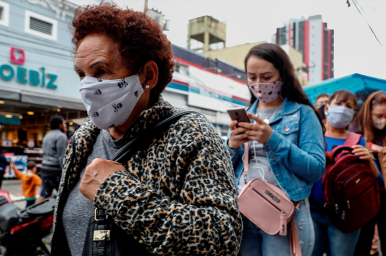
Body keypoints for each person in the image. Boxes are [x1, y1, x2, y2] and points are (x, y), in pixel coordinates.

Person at [50, 3, 242, 256]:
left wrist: (117, 192)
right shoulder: (84, 137)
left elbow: (223, 237)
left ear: (148, 75)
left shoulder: (191, 134)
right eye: (81, 74)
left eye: (101, 71)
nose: (86, 86)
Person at [226, 43, 325, 256]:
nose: (259, 83)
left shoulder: (303, 114)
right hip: (242, 214)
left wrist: (273, 140)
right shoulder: (244, 115)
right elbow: (221, 169)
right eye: (252, 77)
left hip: (284, 215)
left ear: (283, 75)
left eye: (267, 76)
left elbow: (316, 168)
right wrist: (231, 146)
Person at [310, 90, 383, 256]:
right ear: (327, 108)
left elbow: (377, 181)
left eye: (348, 106)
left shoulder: (359, 141)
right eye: (338, 104)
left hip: (346, 215)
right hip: (313, 211)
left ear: (352, 113)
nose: (342, 109)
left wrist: (369, 161)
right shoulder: (313, 137)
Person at [349, 91, 386, 256]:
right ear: (368, 112)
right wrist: (373, 148)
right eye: (378, 115)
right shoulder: (355, 129)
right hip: (365, 194)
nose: (383, 119)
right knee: (362, 242)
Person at [36, 115, 68, 204]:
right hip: (55, 170)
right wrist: (65, 172)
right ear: (59, 124)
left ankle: (31, 214)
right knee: (64, 195)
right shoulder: (61, 136)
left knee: (43, 195)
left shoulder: (47, 135)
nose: (65, 125)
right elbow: (62, 156)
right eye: (64, 123)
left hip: (45, 169)